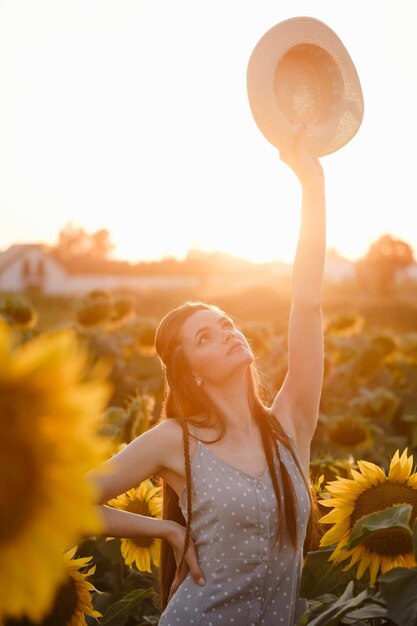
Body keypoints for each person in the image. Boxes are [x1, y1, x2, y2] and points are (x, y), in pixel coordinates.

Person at [85, 123, 325, 626]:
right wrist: (167, 532)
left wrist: (312, 182)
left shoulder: (290, 425)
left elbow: (308, 304)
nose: (227, 334)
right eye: (205, 338)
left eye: (226, 324)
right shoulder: (177, 441)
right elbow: (66, 504)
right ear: (190, 373)